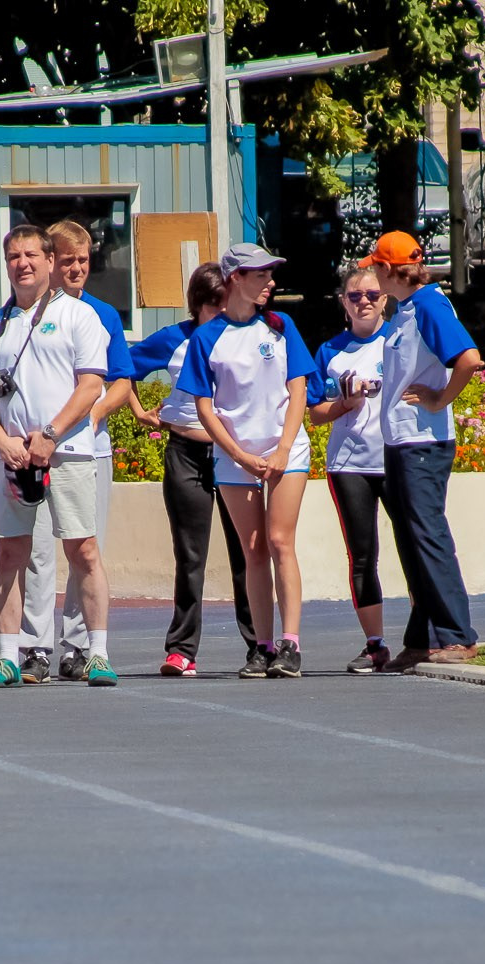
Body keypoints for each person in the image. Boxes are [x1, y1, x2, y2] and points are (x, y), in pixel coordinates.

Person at [0, 224, 116, 688]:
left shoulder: (79, 315)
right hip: (13, 458)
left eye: (31, 255)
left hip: (68, 451)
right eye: (14, 256)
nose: (23, 264)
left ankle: (97, 653)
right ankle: (8, 656)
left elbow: (91, 386)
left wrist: (50, 435)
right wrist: (1, 440)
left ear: (50, 261)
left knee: (83, 549)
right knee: (11, 554)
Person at [179, 243, 321, 679]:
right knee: (253, 550)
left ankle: (290, 644)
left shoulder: (280, 326)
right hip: (234, 457)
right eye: (261, 274)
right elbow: (204, 407)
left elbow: (299, 389)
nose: (270, 283)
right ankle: (262, 645)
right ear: (235, 279)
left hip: (286, 449)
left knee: (280, 541)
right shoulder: (206, 337)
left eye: (270, 274)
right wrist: (239, 455)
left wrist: (282, 449)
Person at [361, 231, 484, 670]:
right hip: (401, 440)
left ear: (390, 270)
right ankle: (422, 637)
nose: (372, 277)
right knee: (411, 541)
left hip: (422, 442)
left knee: (428, 537)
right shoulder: (406, 309)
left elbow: (469, 358)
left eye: (376, 268)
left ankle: (457, 635)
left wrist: (440, 399)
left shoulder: (430, 304)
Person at [128, 262, 259, 676]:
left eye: (228, 305)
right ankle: (182, 649)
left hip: (235, 455)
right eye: (215, 306)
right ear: (198, 305)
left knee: (247, 552)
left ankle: (260, 644)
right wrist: (139, 412)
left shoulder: (246, 337)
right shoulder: (174, 339)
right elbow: (121, 367)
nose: (223, 313)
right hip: (187, 452)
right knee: (190, 555)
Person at [17, 219, 133, 683]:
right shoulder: (23, 314)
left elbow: (120, 381)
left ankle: (80, 646)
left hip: (87, 451)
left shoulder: (101, 315)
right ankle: (35, 647)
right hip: (36, 452)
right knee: (37, 552)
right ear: (51, 261)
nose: (77, 268)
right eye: (68, 260)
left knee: (83, 549)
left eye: (84, 260)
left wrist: (92, 413)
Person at [309, 266, 395, 674]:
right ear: (343, 302)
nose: (364, 302)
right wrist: (346, 403)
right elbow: (315, 413)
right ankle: (375, 644)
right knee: (362, 555)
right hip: (349, 465)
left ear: (385, 300)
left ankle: (427, 636)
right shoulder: (331, 351)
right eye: (355, 296)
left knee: (416, 546)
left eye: (372, 295)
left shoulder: (399, 341)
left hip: (396, 458)